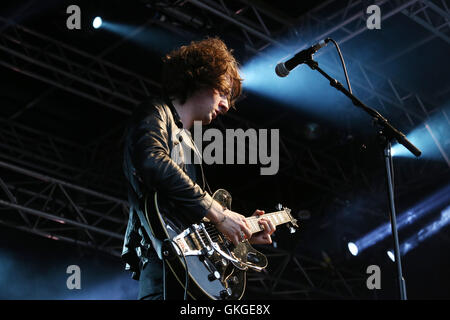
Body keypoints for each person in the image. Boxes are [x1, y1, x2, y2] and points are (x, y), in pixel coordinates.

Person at [121, 37, 276, 300]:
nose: (226, 105)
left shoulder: (188, 141)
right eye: (224, 92)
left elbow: (192, 223)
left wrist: (240, 232)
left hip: (185, 273)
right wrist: (220, 213)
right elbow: (151, 161)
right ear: (202, 78)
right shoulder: (156, 112)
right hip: (164, 273)